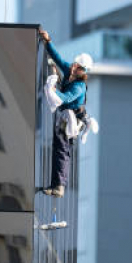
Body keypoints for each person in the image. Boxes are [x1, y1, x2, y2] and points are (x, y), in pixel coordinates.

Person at [38, 28, 93, 198]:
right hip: (64, 116)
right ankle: (55, 185)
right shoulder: (70, 71)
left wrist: (53, 88)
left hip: (71, 120)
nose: (73, 66)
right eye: (75, 64)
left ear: (83, 71)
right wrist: (48, 41)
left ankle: (59, 187)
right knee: (57, 149)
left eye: (78, 66)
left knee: (62, 151)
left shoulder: (79, 87)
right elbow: (58, 58)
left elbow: (64, 98)